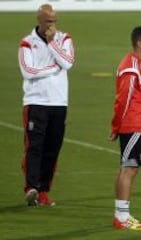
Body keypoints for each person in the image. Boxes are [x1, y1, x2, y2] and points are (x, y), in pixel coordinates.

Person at [18, 4, 74, 206]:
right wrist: (53, 68)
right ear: (39, 20)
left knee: (52, 149)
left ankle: (43, 191)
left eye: (55, 21)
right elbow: (28, 72)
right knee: (34, 147)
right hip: (36, 102)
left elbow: (68, 63)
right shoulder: (27, 43)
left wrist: (52, 43)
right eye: (49, 21)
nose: (53, 25)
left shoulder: (63, 39)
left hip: (59, 102)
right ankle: (31, 187)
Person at [109, 26, 141, 230]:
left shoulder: (136, 63)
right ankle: (122, 217)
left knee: (128, 168)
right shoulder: (131, 66)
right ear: (140, 43)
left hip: (136, 125)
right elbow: (123, 99)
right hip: (132, 126)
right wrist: (116, 125)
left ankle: (121, 215)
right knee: (129, 169)